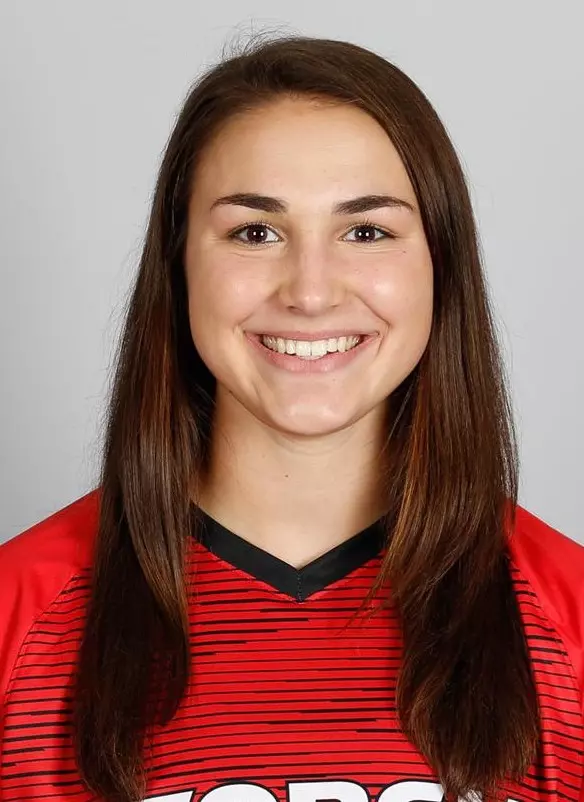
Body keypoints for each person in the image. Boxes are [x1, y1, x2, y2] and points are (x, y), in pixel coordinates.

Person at [0, 33, 582, 802]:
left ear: (440, 264)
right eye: (255, 232)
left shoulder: (565, 623)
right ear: (177, 264)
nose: (311, 291)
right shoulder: (21, 618)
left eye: (366, 231)